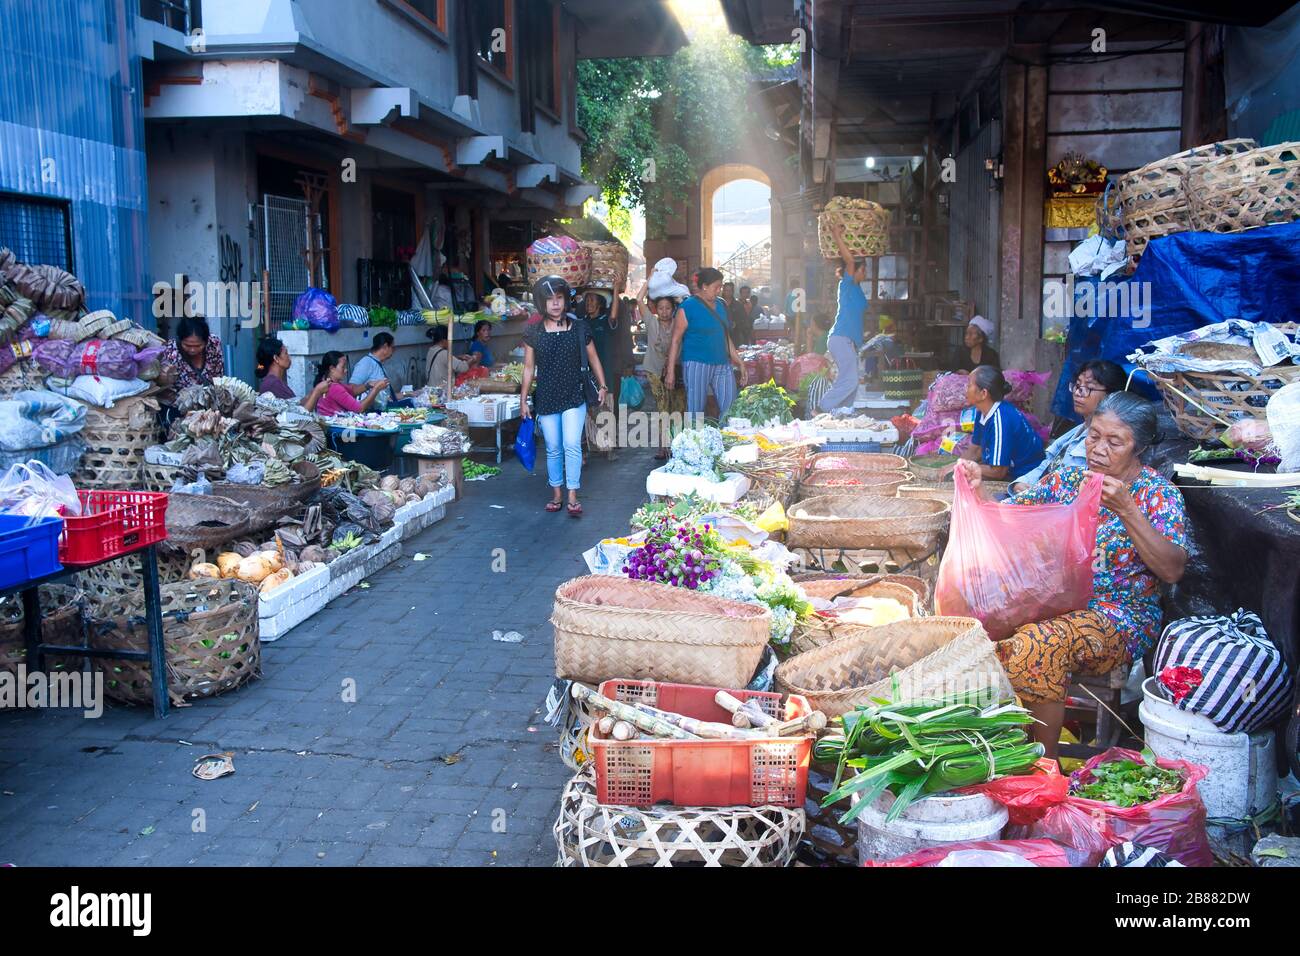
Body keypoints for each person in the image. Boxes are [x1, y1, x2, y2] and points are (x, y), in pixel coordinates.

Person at [957, 391, 1189, 758]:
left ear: (1138, 447)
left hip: (1117, 615)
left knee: (1038, 643)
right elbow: (1009, 518)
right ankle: (995, 746)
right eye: (1094, 435)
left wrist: (1127, 511)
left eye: (1115, 442)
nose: (1099, 448)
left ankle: (1038, 767)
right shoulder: (1065, 480)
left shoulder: (1155, 495)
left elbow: (1172, 569)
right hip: (1051, 602)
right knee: (971, 630)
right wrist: (978, 490)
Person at [520, 275, 609, 517]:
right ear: (542, 303)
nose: (556, 304)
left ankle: (572, 495)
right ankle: (556, 493)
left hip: (574, 395)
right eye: (550, 300)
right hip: (547, 397)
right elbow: (528, 368)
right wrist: (523, 400)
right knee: (553, 448)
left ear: (565, 301)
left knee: (571, 444)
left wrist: (603, 385)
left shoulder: (580, 328)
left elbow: (594, 358)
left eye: (559, 298)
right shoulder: (533, 332)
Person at [1013, 360, 1127, 492]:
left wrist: (1037, 494)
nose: (1078, 393)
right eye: (1077, 386)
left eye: (1088, 388)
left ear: (1111, 394)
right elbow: (1047, 465)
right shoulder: (1076, 431)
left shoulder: (1106, 443)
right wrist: (1022, 482)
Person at [665, 267, 744, 420]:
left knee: (731, 410)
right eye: (716, 287)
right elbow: (675, 340)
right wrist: (670, 371)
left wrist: (738, 360)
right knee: (696, 412)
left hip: (722, 364)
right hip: (696, 364)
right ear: (704, 286)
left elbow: (726, 337)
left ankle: (726, 441)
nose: (719, 291)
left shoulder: (721, 306)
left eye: (720, 287)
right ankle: (695, 442)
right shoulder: (687, 307)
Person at [962, 365, 1046, 482]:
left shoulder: (1000, 419)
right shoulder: (983, 411)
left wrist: (964, 468)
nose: (965, 389)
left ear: (983, 393)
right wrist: (956, 466)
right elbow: (976, 450)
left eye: (969, 385)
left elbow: (998, 471)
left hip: (1024, 477)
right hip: (1009, 471)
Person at [819, 220, 867, 412]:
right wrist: (837, 234)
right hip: (839, 338)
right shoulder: (846, 285)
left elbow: (856, 316)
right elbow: (849, 260)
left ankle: (842, 413)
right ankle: (821, 409)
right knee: (850, 380)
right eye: (864, 269)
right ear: (855, 271)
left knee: (852, 382)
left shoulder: (857, 290)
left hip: (848, 341)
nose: (866, 273)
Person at [637, 279, 685, 460]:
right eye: (661, 308)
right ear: (656, 309)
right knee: (663, 406)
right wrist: (650, 279)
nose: (664, 312)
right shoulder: (651, 321)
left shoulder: (680, 322)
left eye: (668, 308)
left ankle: (677, 444)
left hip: (677, 369)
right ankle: (662, 446)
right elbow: (639, 299)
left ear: (673, 309)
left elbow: (685, 300)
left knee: (678, 406)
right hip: (655, 371)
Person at [254, 336, 327, 410]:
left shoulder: (276, 381)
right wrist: (317, 391)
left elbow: (296, 405)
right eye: (286, 353)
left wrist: (313, 392)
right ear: (276, 358)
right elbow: (300, 415)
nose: (289, 357)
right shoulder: (272, 384)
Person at [314, 351, 388, 417]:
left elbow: (352, 391)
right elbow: (360, 408)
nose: (346, 370)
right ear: (332, 369)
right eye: (343, 367)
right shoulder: (333, 387)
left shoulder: (328, 382)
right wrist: (376, 389)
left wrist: (368, 385)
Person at [162, 316, 224, 391]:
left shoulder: (214, 344)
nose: (192, 350)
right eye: (187, 345)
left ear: (206, 341)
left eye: (198, 346)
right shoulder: (171, 351)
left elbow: (218, 374)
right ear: (180, 340)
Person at [350, 332, 400, 407]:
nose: (394, 351)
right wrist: (368, 386)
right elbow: (352, 389)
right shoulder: (366, 363)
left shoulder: (378, 363)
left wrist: (408, 393)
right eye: (392, 348)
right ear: (385, 347)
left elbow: (387, 396)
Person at [425, 324, 479, 388]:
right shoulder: (444, 353)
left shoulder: (431, 350)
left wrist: (458, 357)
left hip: (431, 389)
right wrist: (473, 358)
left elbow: (441, 361)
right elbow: (462, 367)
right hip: (441, 392)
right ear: (444, 340)